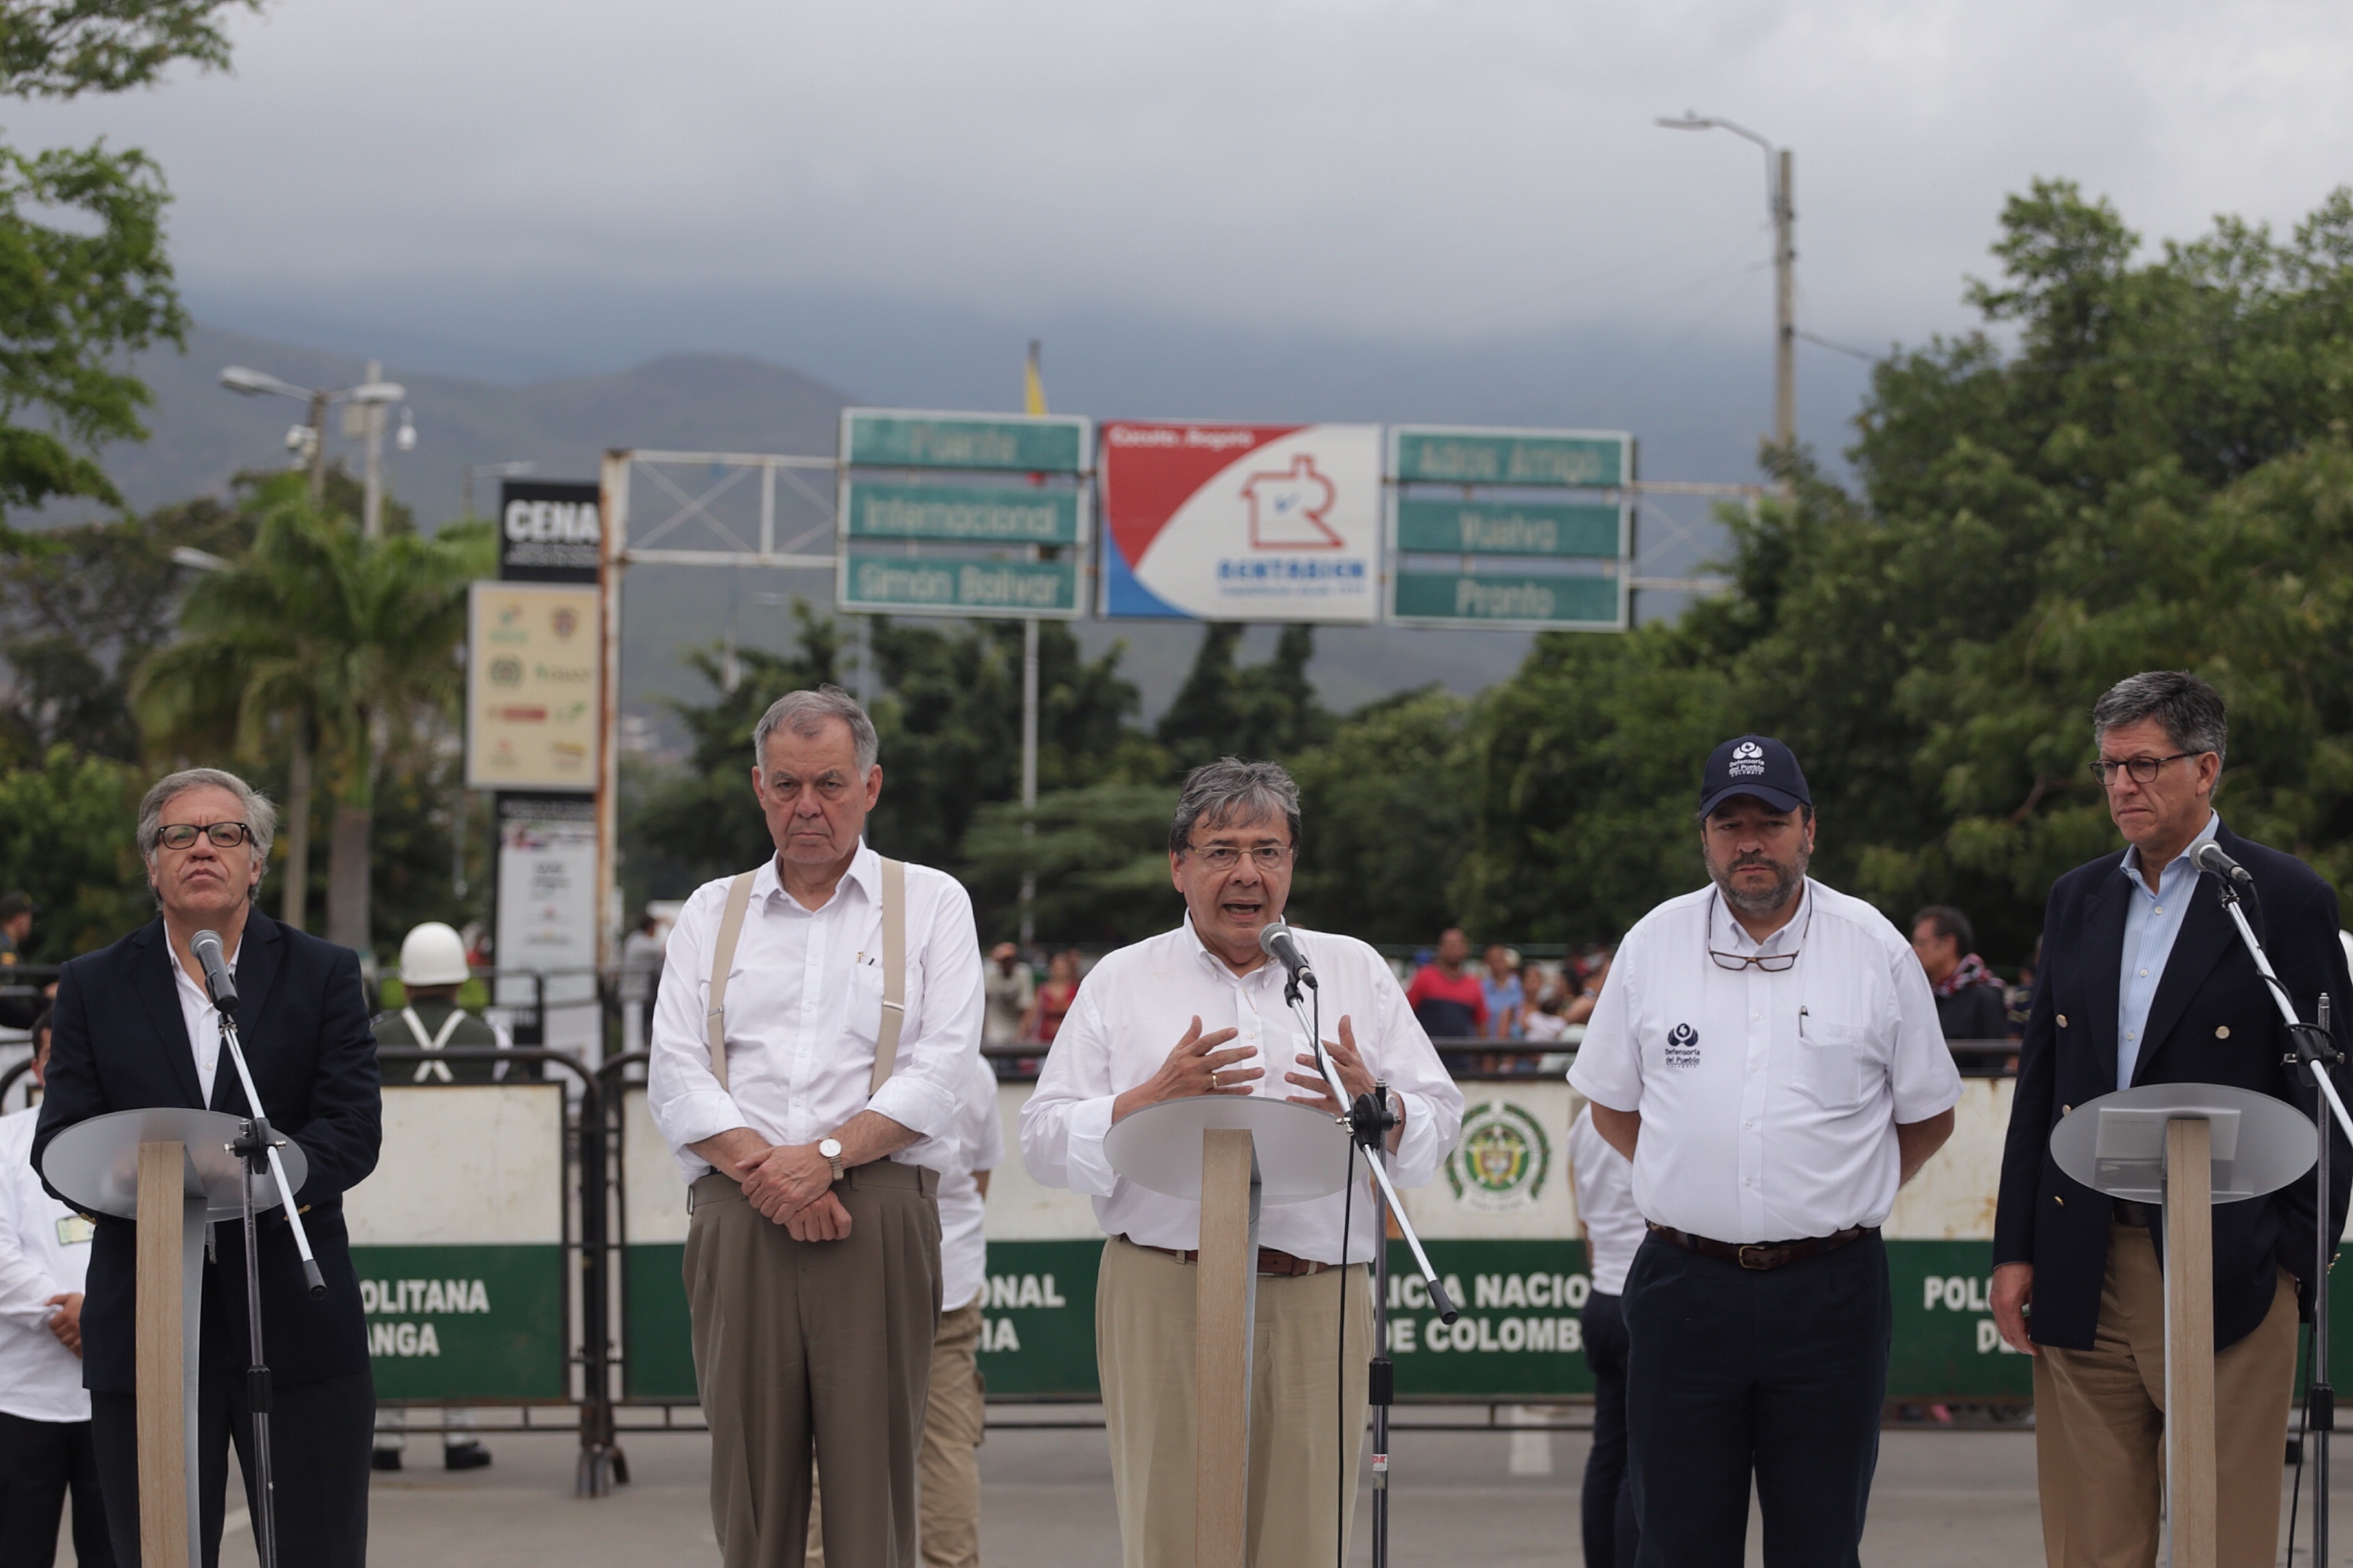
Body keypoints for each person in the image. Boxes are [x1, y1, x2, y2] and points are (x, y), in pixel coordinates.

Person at [1019, 757, 1464, 1568]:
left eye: (1268, 849)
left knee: (1304, 1540)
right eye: (1221, 850)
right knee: (1173, 1539)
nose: (1246, 873)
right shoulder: (1122, 980)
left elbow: (1440, 1121)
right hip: (1165, 1288)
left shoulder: (1349, 970)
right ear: (1178, 865)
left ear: (1292, 862)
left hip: (1316, 1293)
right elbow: (1042, 1142)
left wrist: (1382, 1103)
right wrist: (1142, 1102)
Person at [1568, 734, 1961, 1567]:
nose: (1750, 840)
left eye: (1770, 821)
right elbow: (1610, 1104)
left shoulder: (1874, 947)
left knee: (1818, 1545)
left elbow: (1929, 1113)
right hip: (1682, 1291)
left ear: (1809, 829)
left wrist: (1843, 1192)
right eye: (1729, 822)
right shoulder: (1653, 942)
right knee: (1675, 1544)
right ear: (1703, 835)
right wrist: (1693, 1187)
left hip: (1831, 1296)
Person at [1989, 672, 2353, 1568]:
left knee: (2221, 1540)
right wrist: (2012, 1249)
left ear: (2206, 769)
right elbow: (2043, 1081)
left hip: (2227, 1259)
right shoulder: (2075, 896)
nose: (2122, 786)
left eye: (2144, 765)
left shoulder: (2279, 895)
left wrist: (2292, 1258)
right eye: (2109, 767)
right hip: (2083, 1259)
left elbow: (2328, 1086)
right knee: (2089, 1541)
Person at [646, 685, 984, 1568]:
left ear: (871, 787)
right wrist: (776, 1173)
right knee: (749, 1490)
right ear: (758, 786)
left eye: (830, 784)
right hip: (739, 1208)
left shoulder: (933, 902)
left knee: (873, 1490)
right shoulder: (709, 911)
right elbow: (676, 1072)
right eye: (788, 785)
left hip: (876, 1208)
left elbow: (942, 1069)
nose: (808, 807)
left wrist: (827, 1157)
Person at [33, 767, 381, 1568]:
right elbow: (61, 1141)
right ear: (151, 863)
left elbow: (352, 1130)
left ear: (256, 862)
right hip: (149, 1321)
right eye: (177, 834)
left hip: (296, 1320)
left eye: (226, 833)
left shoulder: (321, 972)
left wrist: (249, 1176)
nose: (202, 848)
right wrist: (159, 1177)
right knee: (155, 1552)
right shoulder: (92, 983)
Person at [808, 1049, 1004, 1568]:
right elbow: (979, 1177)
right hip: (949, 1271)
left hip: (845, 1263)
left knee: (825, 1445)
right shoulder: (973, 1069)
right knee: (947, 1446)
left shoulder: (842, 1062)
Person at [368, 920, 501, 1473]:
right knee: (458, 1306)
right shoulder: (481, 1036)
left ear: (407, 980)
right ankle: (459, 1435)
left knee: (395, 1308)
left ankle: (388, 1437)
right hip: (460, 1185)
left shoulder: (378, 1034)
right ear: (457, 979)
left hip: (393, 1187)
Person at [0, 1009, 111, 1568]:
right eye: (54, 1057)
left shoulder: (130, 1144)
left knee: (115, 1553)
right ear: (39, 1068)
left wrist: (103, 1317)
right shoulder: (4, 1143)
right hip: (21, 1399)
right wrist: (64, 1314)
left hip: (113, 1395)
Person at [1567, 1096, 1642, 1568]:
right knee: (1644, 1463)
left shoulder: (1584, 1120)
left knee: (1609, 1451)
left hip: (1603, 1293)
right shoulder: (1656, 1113)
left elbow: (1584, 1221)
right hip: (1646, 1299)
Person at [1910, 906, 2009, 1043]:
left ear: (1948, 944)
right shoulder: (1922, 995)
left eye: (1921, 943)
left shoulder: (1984, 998)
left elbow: (1993, 1061)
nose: (1913, 951)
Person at [1405, 927, 1486, 1041]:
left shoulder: (1474, 985)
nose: (1454, 949)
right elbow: (1406, 1015)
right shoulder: (1424, 978)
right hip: (1428, 1052)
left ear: (1466, 949)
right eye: (1450, 945)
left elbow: (1481, 1025)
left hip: (1461, 1054)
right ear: (1441, 948)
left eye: (1458, 945)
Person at [982, 942, 1034, 1051]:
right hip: (994, 1031)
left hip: (1015, 1030)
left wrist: (1021, 1034)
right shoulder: (990, 973)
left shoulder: (1023, 974)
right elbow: (984, 1001)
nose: (1008, 963)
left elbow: (1027, 1007)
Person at [1022, 949, 1079, 1045]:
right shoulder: (1043, 990)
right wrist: (1022, 1034)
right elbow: (1031, 1015)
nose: (1060, 971)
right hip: (1044, 1041)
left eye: (1063, 968)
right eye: (1057, 968)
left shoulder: (1076, 990)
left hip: (1068, 1041)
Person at [1480, 944, 1525, 1040]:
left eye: (1500, 958)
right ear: (1487, 962)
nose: (1497, 963)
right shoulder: (1480, 988)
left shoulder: (1522, 985)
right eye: (1493, 960)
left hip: (1516, 1047)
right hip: (1487, 1045)